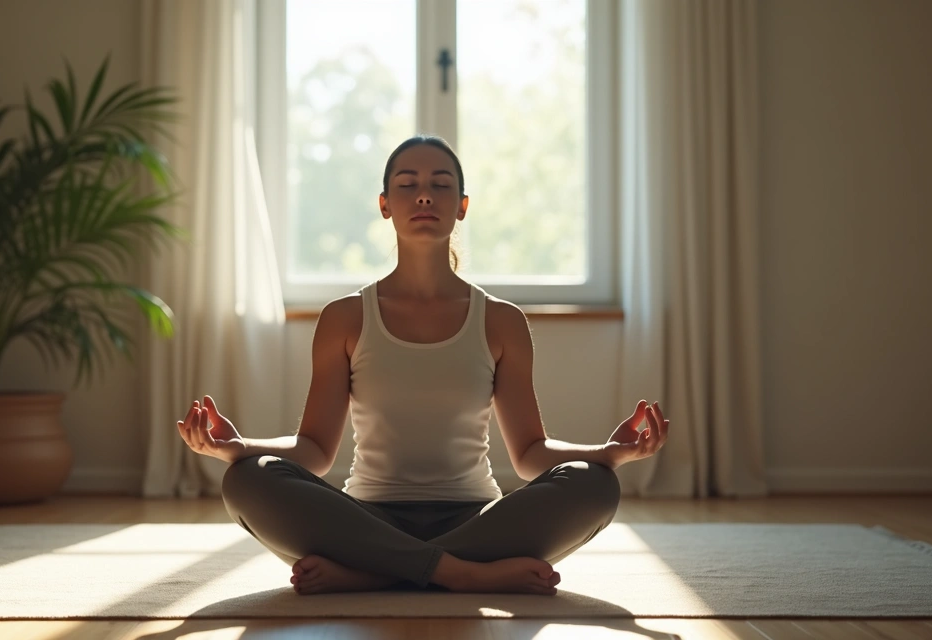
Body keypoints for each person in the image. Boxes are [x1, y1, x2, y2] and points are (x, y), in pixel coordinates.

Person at [176, 135, 670, 596]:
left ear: (463, 206)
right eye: (408, 185)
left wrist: (607, 454)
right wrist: (239, 448)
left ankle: (371, 574)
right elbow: (315, 450)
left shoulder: (501, 321)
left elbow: (531, 453)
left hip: (477, 520)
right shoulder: (345, 318)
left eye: (441, 185)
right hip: (365, 517)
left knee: (595, 484)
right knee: (246, 478)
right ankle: (459, 574)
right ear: (385, 205)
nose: (425, 197)